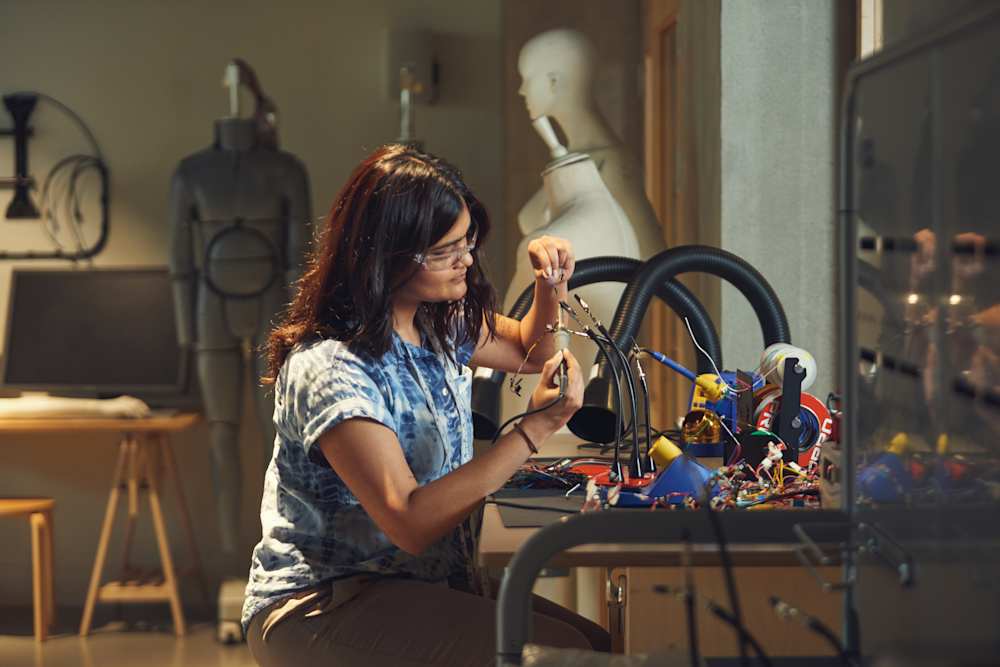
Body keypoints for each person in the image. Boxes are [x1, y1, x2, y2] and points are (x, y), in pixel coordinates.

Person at [243, 144, 610, 666]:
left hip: (421, 584)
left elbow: (531, 349)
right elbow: (410, 523)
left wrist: (550, 286)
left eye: (467, 242)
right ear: (384, 256)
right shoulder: (331, 368)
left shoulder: (435, 320)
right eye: (445, 252)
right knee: (566, 655)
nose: (465, 261)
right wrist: (533, 430)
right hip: (324, 603)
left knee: (600, 647)